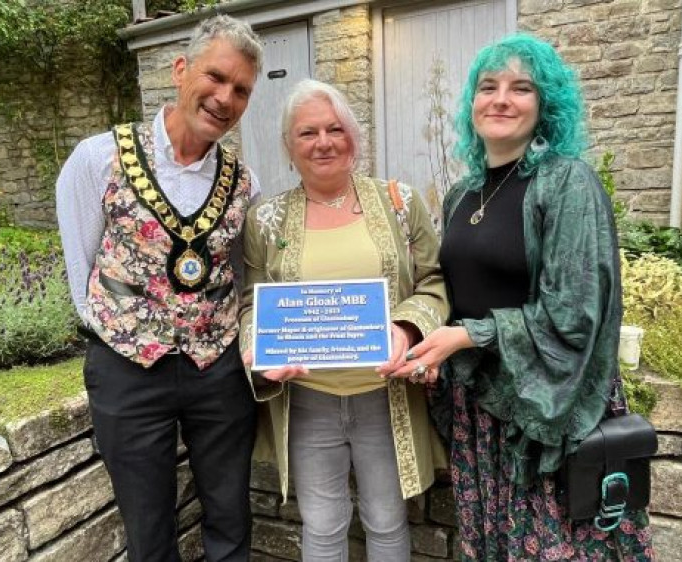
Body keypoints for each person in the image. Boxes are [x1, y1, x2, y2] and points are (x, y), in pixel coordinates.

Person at [379, 34, 655, 560]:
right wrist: (432, 346)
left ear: (544, 104)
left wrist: (467, 335)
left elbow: (575, 314)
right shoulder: (464, 192)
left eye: (520, 88)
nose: (501, 99)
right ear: (472, 102)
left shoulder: (567, 183)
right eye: (488, 86)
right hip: (480, 411)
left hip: (547, 410)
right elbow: (456, 289)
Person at [55, 15, 264, 562]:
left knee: (230, 516)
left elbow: (240, 277)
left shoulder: (245, 183)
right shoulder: (97, 158)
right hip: (127, 370)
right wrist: (123, 339)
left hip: (217, 370)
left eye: (240, 89)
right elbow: (82, 274)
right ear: (180, 70)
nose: (224, 97)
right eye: (215, 77)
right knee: (148, 529)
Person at [238, 79, 448, 561]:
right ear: (289, 147)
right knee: (323, 525)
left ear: (354, 137)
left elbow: (435, 281)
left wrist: (409, 327)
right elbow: (251, 300)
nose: (323, 142)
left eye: (335, 128)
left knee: (387, 520)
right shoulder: (265, 220)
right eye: (307, 133)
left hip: (385, 396)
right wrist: (261, 350)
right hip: (309, 400)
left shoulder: (400, 204)